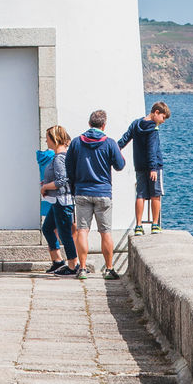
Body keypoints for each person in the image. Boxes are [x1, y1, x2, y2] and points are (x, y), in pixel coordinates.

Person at [65, 110, 125, 279]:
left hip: (82, 192)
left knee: (82, 231)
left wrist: (74, 186)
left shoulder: (76, 143)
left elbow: (69, 168)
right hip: (103, 192)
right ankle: (109, 268)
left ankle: (82, 268)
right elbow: (120, 165)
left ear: (89, 123)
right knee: (105, 232)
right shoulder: (110, 143)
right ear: (104, 125)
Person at [118, 101, 170, 235]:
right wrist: (153, 167)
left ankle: (139, 226)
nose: (163, 121)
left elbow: (125, 138)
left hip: (139, 165)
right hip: (154, 166)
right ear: (156, 112)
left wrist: (116, 149)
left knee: (140, 195)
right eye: (163, 117)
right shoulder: (153, 128)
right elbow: (152, 149)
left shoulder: (136, 124)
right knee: (155, 195)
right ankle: (155, 225)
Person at [40, 125, 80, 277]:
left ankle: (72, 264)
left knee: (64, 234)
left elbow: (62, 180)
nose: (46, 141)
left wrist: (45, 187)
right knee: (48, 228)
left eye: (47, 138)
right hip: (58, 201)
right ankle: (58, 261)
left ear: (54, 139)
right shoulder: (61, 157)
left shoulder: (59, 158)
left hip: (62, 201)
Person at [37, 131, 63, 272]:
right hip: (60, 197)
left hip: (49, 197)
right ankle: (73, 262)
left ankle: (57, 260)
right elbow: (61, 180)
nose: (46, 142)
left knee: (49, 228)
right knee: (66, 230)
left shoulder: (46, 158)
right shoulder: (58, 158)